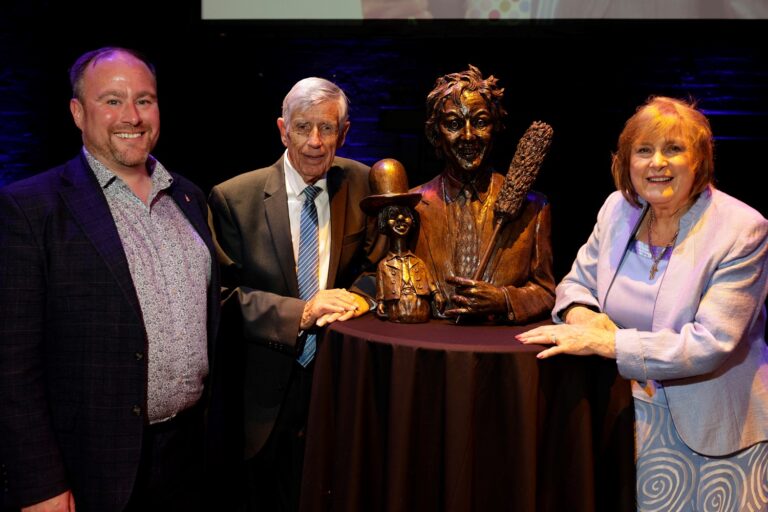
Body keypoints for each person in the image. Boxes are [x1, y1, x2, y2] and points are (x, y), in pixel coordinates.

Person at [518, 96, 768, 510]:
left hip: (708, 433)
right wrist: (585, 317)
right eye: (644, 150)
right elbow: (575, 283)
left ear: (700, 160)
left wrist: (610, 344)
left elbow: (711, 343)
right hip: (618, 415)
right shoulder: (618, 209)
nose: (658, 163)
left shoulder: (742, 230)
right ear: (625, 161)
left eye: (674, 149)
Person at [0, 47, 220, 512]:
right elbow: (12, 366)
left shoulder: (188, 196)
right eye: (112, 100)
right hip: (93, 465)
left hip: (189, 455)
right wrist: (41, 485)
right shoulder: (31, 209)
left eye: (144, 100)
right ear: (78, 112)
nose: (133, 116)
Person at [207, 76, 384, 511]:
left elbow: (384, 264)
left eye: (327, 129)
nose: (314, 142)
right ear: (282, 129)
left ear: (344, 133)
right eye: (303, 128)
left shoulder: (366, 186)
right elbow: (222, 299)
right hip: (264, 399)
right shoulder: (234, 198)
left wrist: (361, 295)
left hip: (343, 382)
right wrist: (303, 311)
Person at [410, 64, 555, 323]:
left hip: (499, 353)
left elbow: (546, 291)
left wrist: (505, 300)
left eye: (480, 122)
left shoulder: (533, 207)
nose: (468, 136)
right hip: (431, 348)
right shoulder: (412, 205)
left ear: (496, 128)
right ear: (435, 135)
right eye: (454, 123)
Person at [360, 158, 444, 323]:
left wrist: (436, 294)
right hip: (397, 311)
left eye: (405, 214)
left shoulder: (418, 262)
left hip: (420, 309)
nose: (400, 219)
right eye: (392, 215)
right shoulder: (384, 265)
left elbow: (430, 282)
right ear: (383, 224)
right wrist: (382, 302)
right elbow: (382, 288)